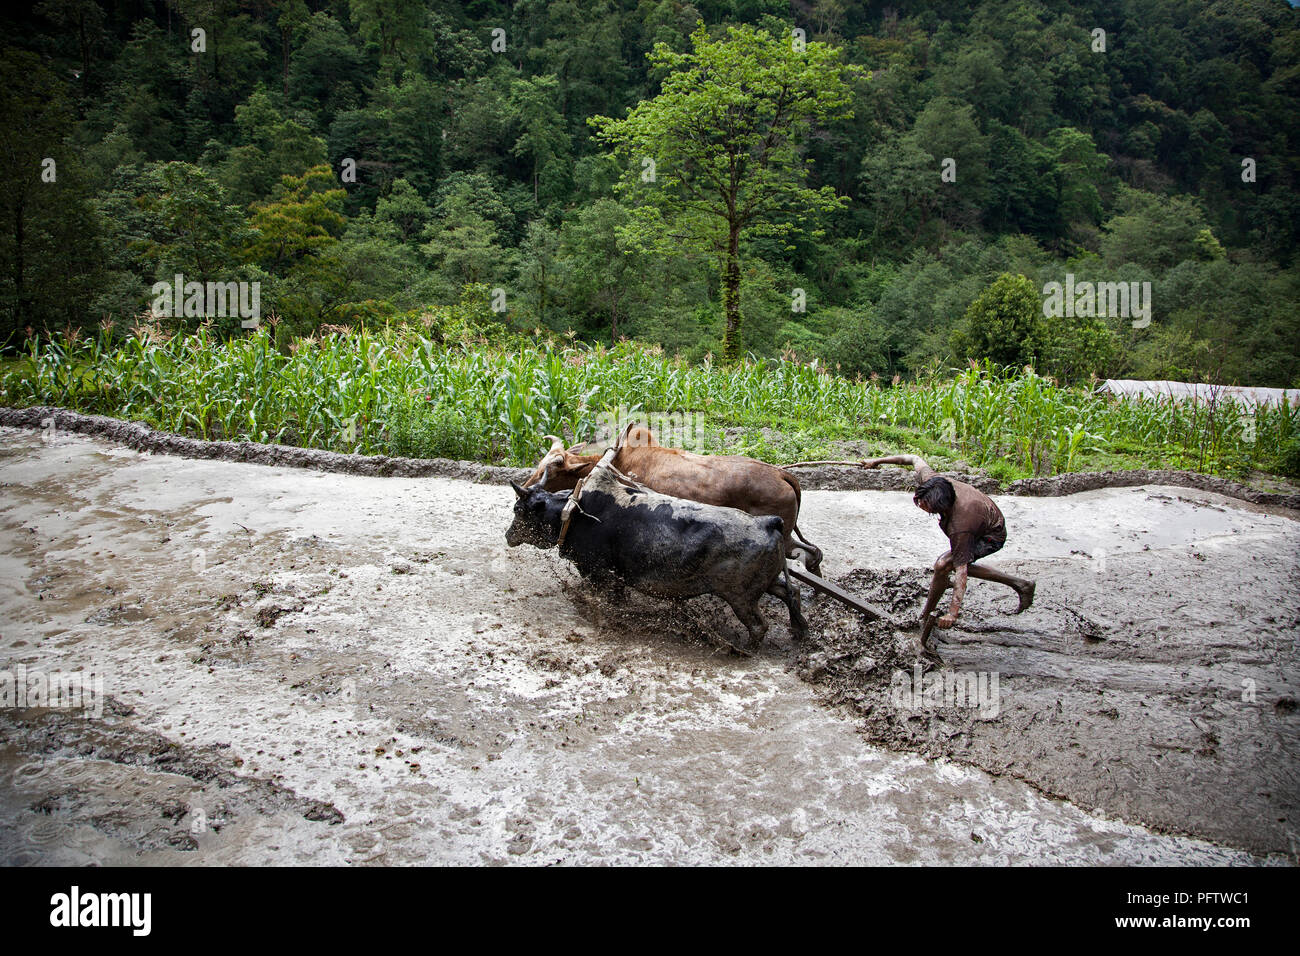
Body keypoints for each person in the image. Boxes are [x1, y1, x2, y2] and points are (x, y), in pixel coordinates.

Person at [860, 454, 1035, 650]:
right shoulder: (934, 483)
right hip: (981, 516)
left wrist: (953, 613)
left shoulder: (961, 526)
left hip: (990, 535)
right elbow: (912, 459)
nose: (921, 507)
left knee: (944, 565)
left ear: (941, 507)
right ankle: (1020, 585)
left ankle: (926, 614)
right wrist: (877, 461)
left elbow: (961, 572)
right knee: (946, 566)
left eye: (926, 506)